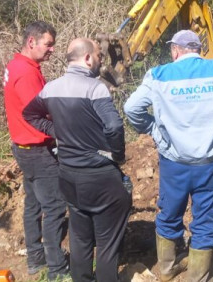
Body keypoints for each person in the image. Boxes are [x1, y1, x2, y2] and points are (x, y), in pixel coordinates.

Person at [124, 30, 213, 282]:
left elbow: (131, 108)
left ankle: (167, 269)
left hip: (173, 163)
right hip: (209, 163)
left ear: (175, 50)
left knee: (169, 212)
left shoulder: (158, 74)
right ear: (198, 49)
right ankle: (197, 277)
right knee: (206, 217)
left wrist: (153, 129)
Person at [23, 38, 132, 282]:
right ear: (88, 58)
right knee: (107, 242)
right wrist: (118, 155)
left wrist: (57, 131)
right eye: (99, 56)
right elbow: (114, 126)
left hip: (68, 175)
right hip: (99, 177)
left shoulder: (51, 88)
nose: (101, 61)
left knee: (80, 238)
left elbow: (29, 114)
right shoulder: (95, 88)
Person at [2, 21, 68, 279]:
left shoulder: (16, 65)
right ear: (32, 42)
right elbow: (40, 113)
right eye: (48, 44)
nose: (52, 49)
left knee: (33, 205)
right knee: (54, 207)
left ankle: (35, 260)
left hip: (23, 147)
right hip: (37, 150)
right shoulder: (27, 73)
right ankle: (56, 269)